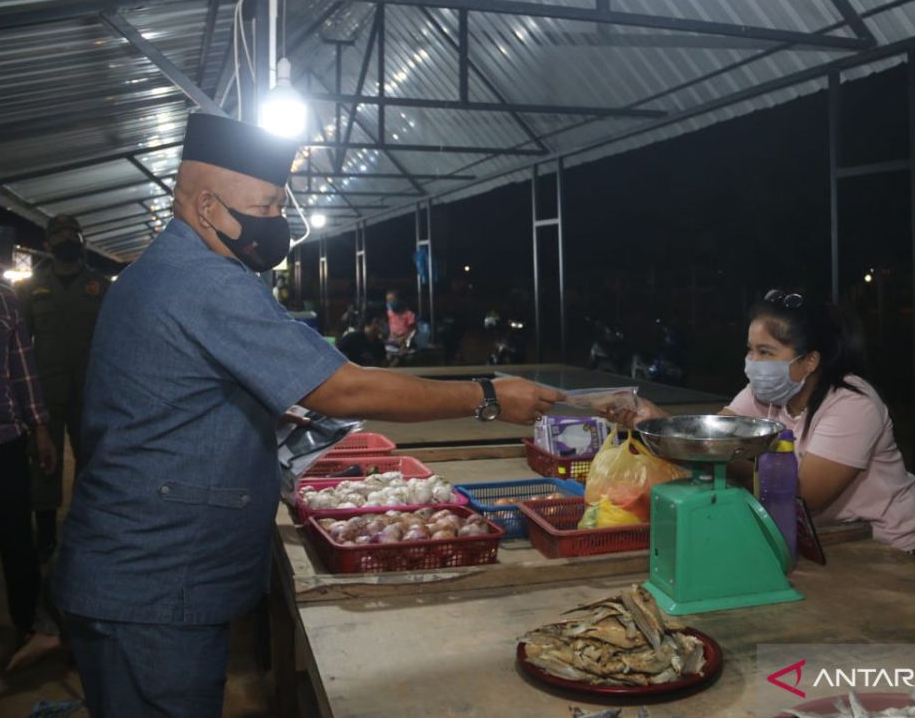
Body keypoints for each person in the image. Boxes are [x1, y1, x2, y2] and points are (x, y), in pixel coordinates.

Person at [52, 113, 562, 717]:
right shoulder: (203, 280)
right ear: (209, 206)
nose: (277, 222)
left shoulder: (163, 271)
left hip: (142, 573)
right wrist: (488, 395)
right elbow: (341, 389)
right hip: (157, 584)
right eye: (267, 203)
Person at [604, 289, 915, 558]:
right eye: (750, 350)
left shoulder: (853, 405)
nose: (753, 363)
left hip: (897, 550)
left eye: (766, 352)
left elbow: (801, 497)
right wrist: (655, 422)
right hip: (832, 544)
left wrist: (724, 460)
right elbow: (710, 436)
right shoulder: (762, 394)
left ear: (810, 361)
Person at [0, 217, 62, 666]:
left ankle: (30, 624)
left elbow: (22, 369)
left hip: (1, 439)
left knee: (16, 539)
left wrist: (40, 428)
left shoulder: (6, 299)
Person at [17, 214, 111, 561]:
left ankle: (89, 529)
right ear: (47, 244)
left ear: (82, 240)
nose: (67, 240)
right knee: (44, 462)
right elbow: (21, 343)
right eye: (59, 235)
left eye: (73, 234)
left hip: (90, 392)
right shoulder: (31, 287)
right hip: (45, 392)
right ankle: (45, 536)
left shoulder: (100, 287)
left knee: (92, 463)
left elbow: (113, 340)